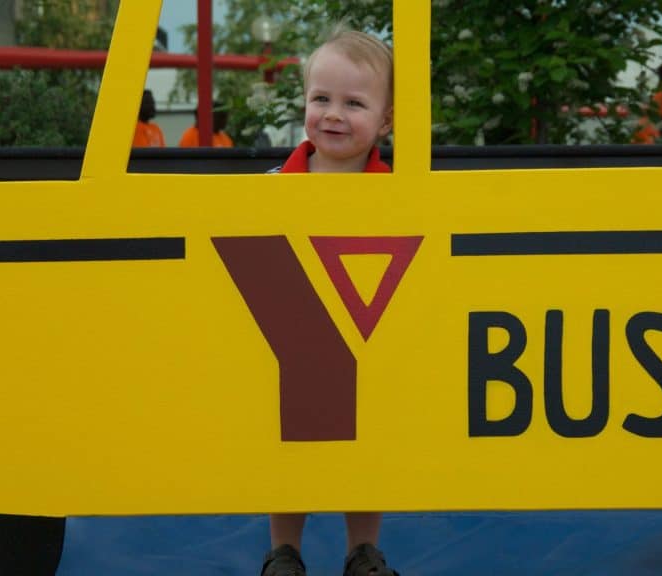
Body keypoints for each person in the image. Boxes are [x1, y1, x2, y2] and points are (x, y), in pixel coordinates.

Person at [259, 29, 395, 576]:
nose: (333, 114)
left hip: (367, 340)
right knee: (286, 450)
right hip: (290, 344)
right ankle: (284, 551)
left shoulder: (398, 196)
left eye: (354, 103)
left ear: (385, 121)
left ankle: (362, 550)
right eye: (321, 99)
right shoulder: (269, 189)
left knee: (365, 451)